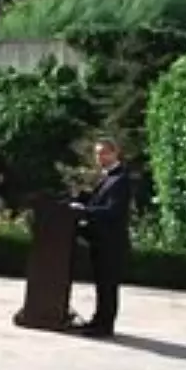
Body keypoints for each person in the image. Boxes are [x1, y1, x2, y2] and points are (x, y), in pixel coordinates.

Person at [70, 140, 131, 338]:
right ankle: (98, 320)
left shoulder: (121, 179)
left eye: (104, 153)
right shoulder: (108, 178)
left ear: (115, 153)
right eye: (97, 154)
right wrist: (81, 198)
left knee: (107, 286)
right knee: (102, 285)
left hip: (111, 244)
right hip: (101, 242)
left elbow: (112, 211)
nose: (100, 158)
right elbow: (99, 200)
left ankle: (105, 326)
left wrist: (85, 211)